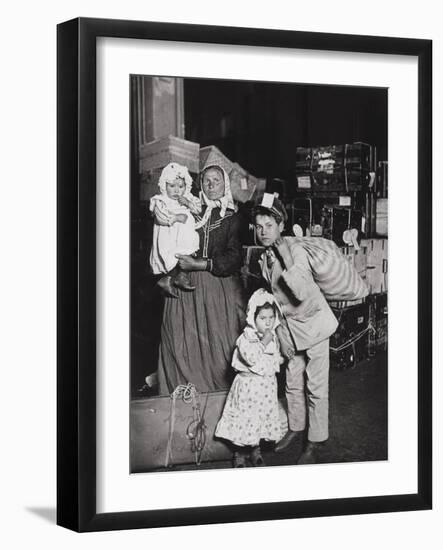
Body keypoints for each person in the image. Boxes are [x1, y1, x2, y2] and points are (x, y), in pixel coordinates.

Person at [252, 194, 338, 464]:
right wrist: (279, 333)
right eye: (258, 226)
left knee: (316, 386)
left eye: (269, 225)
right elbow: (273, 301)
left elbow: (299, 290)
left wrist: (285, 253)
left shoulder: (295, 249)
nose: (263, 231)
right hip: (289, 329)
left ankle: (315, 441)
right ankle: (296, 427)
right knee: (291, 382)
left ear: (281, 225)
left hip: (314, 325)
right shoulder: (263, 256)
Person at [157, 164, 246, 395]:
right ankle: (183, 398)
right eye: (206, 180)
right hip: (184, 285)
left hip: (215, 286)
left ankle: (219, 400)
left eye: (216, 180)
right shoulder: (189, 210)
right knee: (180, 341)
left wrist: (200, 264)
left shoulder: (232, 218)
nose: (210, 185)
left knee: (218, 348)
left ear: (225, 184)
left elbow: (234, 258)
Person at [215, 289, 284, 467]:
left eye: (271, 317)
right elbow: (251, 357)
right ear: (253, 318)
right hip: (248, 388)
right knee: (244, 421)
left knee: (260, 419)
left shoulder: (272, 336)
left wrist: (279, 359)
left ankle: (255, 449)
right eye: (263, 318)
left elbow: (273, 358)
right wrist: (264, 342)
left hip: (265, 388)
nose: (268, 322)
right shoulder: (246, 338)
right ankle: (239, 453)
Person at [149, 162, 202, 298]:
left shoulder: (187, 197)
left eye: (181, 186)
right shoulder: (161, 200)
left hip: (185, 235)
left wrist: (188, 203)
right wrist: (177, 217)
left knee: (187, 253)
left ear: (186, 186)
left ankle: (180, 276)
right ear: (164, 185)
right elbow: (160, 218)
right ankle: (167, 278)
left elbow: (198, 209)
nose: (176, 190)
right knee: (171, 255)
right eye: (172, 186)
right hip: (169, 235)